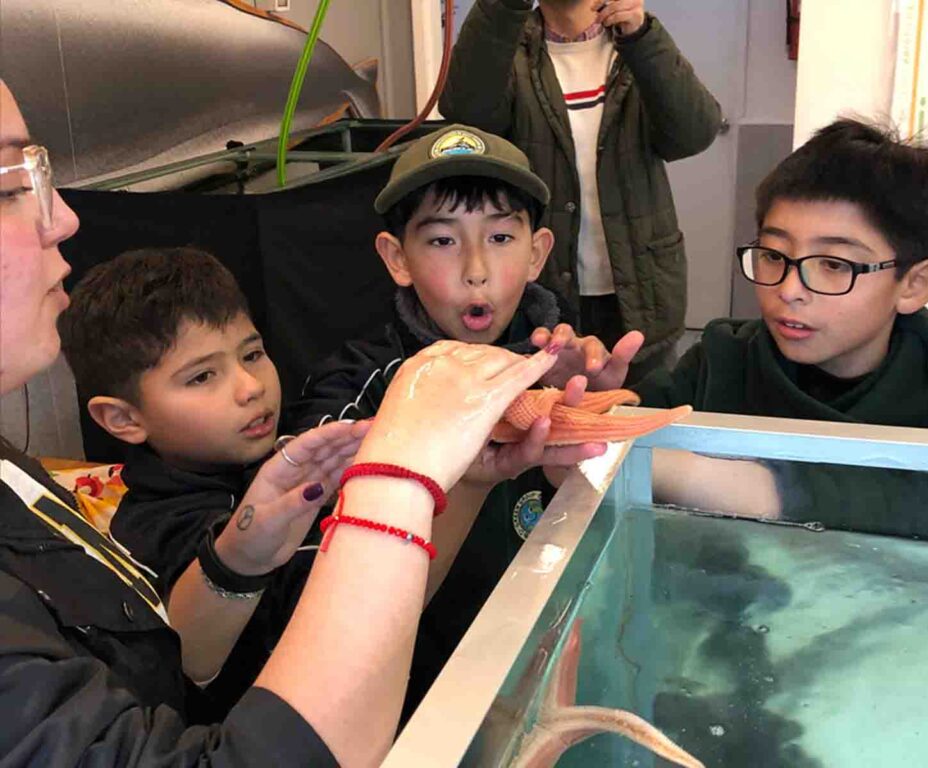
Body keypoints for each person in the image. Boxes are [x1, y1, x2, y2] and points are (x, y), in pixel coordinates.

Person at [0, 78, 568, 766]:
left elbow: (181, 662)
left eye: (253, 354)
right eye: (11, 187)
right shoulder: (358, 390)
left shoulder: (28, 486)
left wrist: (242, 551)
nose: (61, 217)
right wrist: (404, 478)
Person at [284, 122, 640, 714]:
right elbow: (319, 612)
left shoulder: (567, 367)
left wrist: (596, 435)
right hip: (418, 699)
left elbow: (617, 542)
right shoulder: (356, 394)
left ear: (537, 252)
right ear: (397, 258)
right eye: (443, 240)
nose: (476, 268)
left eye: (500, 237)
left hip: (556, 663)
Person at [634, 118, 928, 547]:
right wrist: (593, 396)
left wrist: (708, 479)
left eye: (833, 265)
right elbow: (606, 448)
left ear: (915, 284)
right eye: (773, 255)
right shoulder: (718, 363)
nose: (789, 290)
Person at [58, 246, 371, 713]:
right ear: (123, 418)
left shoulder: (280, 452)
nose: (251, 387)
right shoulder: (156, 532)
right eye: (203, 376)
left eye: (253, 354)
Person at [439, 0, 722, 377]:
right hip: (538, 288)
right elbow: (467, 118)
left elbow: (693, 134)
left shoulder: (634, 45)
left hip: (640, 288)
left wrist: (641, 35)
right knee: (543, 406)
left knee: (644, 402)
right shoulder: (509, 48)